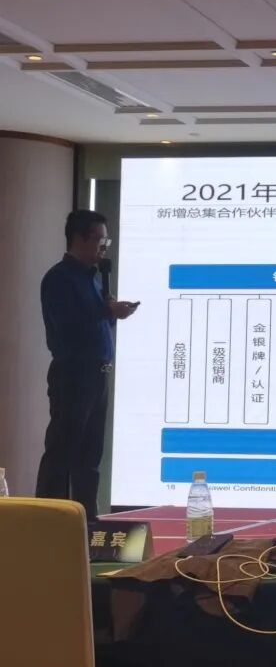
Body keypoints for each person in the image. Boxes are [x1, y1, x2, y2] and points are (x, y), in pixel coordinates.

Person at [36, 210, 138, 520]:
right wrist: (107, 311)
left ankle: (86, 524)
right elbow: (67, 326)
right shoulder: (59, 278)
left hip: (97, 375)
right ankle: (48, 523)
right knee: (62, 453)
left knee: (90, 457)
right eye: (100, 240)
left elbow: (96, 325)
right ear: (79, 239)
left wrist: (110, 312)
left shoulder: (93, 279)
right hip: (73, 376)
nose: (104, 247)